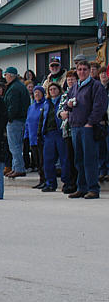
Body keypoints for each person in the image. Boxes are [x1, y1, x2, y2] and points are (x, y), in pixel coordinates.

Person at [60, 59, 108, 199]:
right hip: (75, 127)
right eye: (79, 69)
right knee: (78, 160)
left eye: (84, 69)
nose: (82, 72)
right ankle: (82, 187)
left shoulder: (95, 86)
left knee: (90, 159)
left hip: (88, 128)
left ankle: (93, 188)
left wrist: (90, 123)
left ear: (89, 71)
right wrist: (66, 109)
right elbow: (66, 104)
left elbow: (100, 106)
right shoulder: (74, 87)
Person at [41, 82, 70, 192]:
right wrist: (41, 132)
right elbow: (42, 119)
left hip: (60, 133)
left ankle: (66, 182)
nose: (52, 91)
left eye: (54, 89)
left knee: (64, 159)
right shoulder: (46, 103)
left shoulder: (63, 101)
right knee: (48, 160)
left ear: (59, 90)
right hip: (49, 133)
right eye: (50, 89)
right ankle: (50, 183)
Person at [3, 66, 31, 178]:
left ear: (10, 75)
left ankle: (19, 168)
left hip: (15, 120)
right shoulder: (20, 86)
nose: (5, 77)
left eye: (6, 75)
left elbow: (13, 106)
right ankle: (16, 167)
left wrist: (8, 118)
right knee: (17, 145)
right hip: (21, 119)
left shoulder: (14, 88)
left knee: (14, 146)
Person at [58, 70, 79, 193]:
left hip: (77, 128)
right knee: (69, 158)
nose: (70, 81)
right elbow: (60, 110)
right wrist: (62, 113)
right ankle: (70, 182)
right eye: (69, 79)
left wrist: (69, 113)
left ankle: (78, 182)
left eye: (73, 79)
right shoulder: (65, 95)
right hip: (67, 130)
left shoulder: (79, 93)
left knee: (78, 158)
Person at [26, 85, 47, 189]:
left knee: (43, 160)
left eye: (39, 92)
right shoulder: (31, 107)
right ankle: (41, 180)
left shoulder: (45, 105)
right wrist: (26, 135)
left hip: (41, 138)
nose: (37, 94)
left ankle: (46, 180)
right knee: (37, 161)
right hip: (32, 138)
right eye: (35, 92)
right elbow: (27, 122)